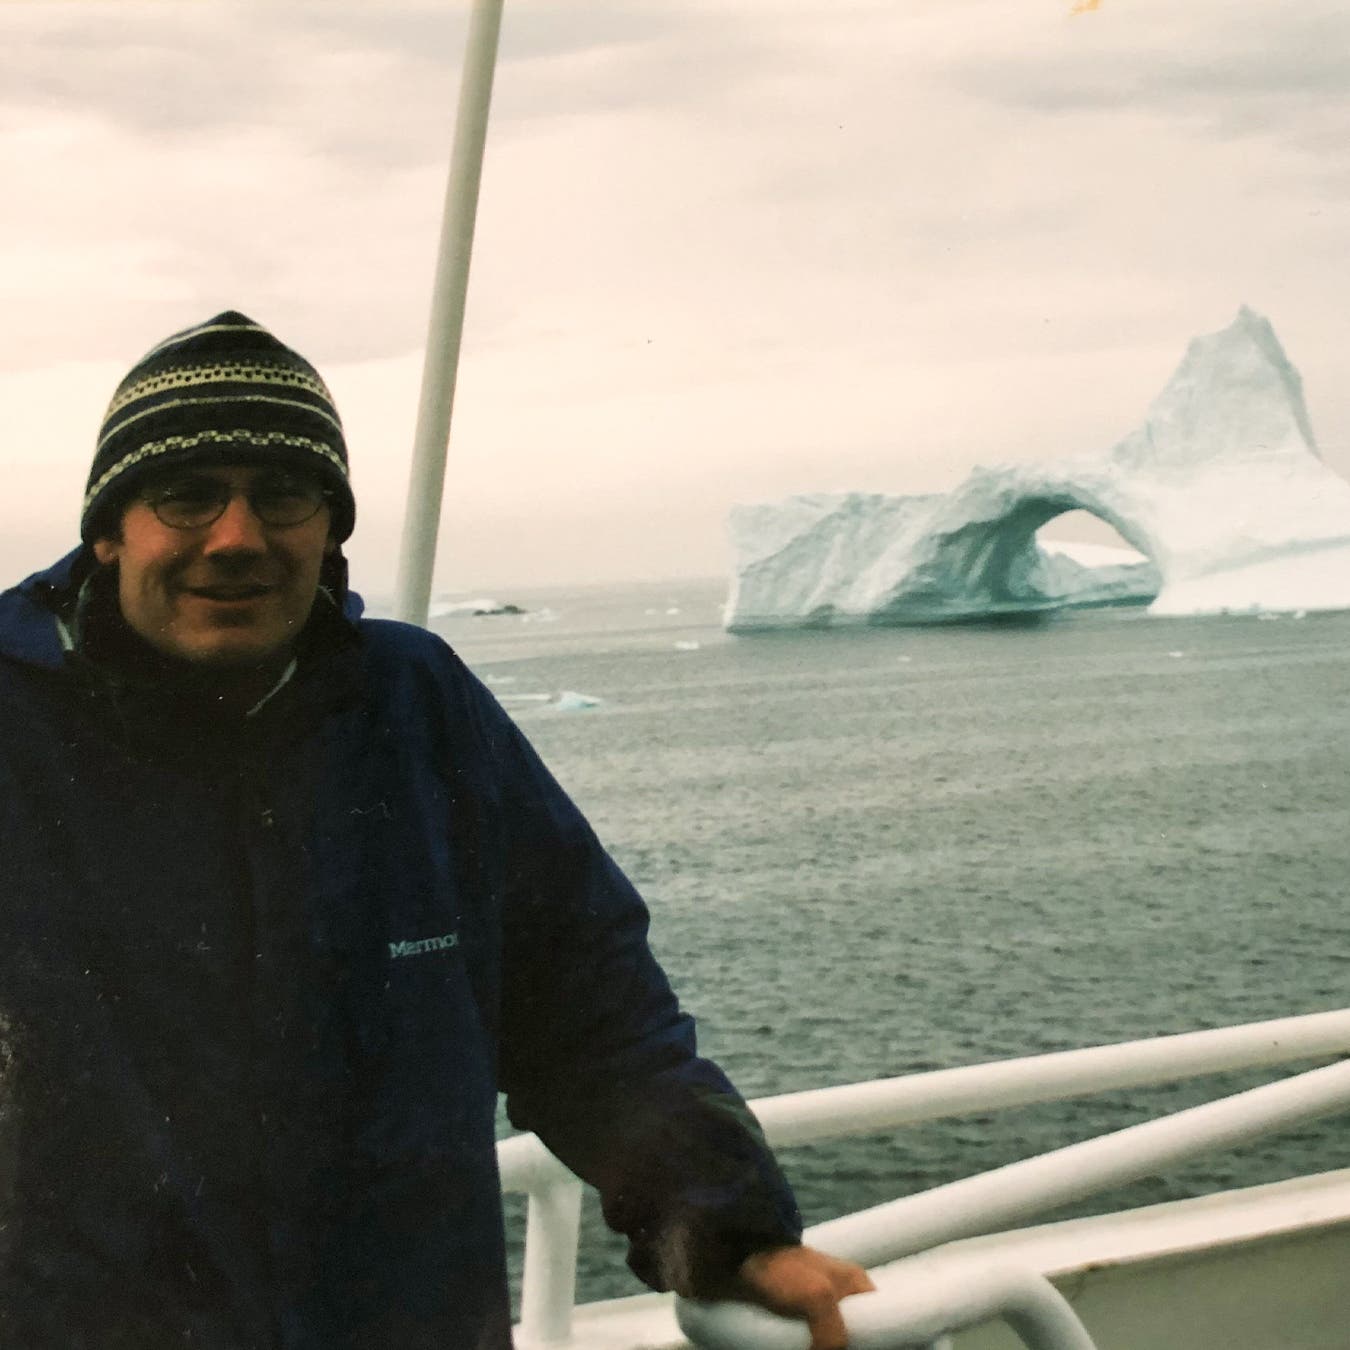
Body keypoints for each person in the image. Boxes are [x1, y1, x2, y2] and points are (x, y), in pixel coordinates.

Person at [0, 312, 873, 1348]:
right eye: (187, 495)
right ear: (111, 528)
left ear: (330, 528)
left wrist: (732, 1232)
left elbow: (586, 1009)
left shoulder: (415, 710)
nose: (236, 537)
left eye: (282, 495)